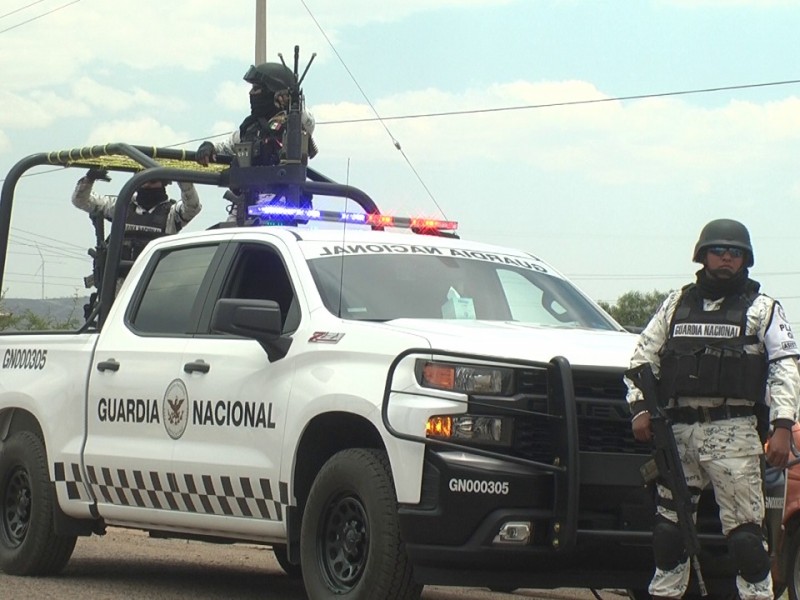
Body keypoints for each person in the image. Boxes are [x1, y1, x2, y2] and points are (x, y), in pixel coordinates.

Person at [624, 218, 800, 600]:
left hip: (733, 433)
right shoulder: (676, 304)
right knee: (669, 536)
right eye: (718, 250)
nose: (726, 258)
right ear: (702, 255)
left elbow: (785, 367)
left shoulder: (762, 309)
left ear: (746, 260)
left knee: (747, 544)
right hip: (677, 435)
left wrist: (783, 425)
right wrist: (639, 408)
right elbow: (642, 358)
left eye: (735, 252)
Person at [71, 167, 202, 296]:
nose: (147, 186)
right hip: (118, 285)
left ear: (163, 184)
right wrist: (89, 179)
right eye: (144, 180)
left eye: (153, 182)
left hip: (153, 285)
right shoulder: (121, 205)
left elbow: (193, 207)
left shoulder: (172, 213)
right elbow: (81, 200)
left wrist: (183, 178)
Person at [195, 61, 318, 169]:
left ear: (275, 94)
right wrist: (210, 147)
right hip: (251, 193)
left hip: (286, 192)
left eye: (256, 88)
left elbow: (308, 121)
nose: (251, 93)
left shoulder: (295, 124)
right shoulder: (251, 126)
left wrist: (293, 101)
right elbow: (228, 146)